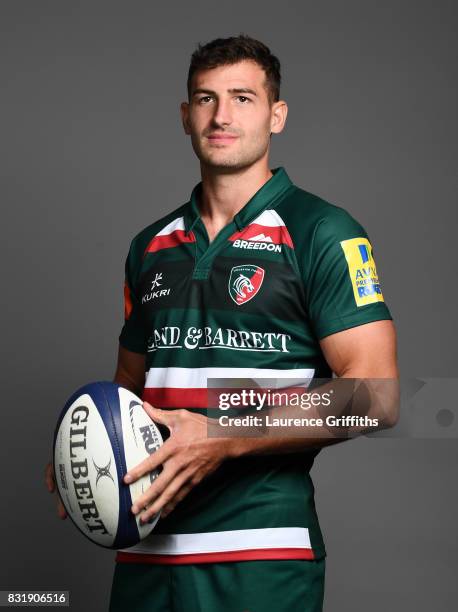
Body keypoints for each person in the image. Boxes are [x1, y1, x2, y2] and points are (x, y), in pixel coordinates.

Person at [46, 35, 398, 611]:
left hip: (261, 559)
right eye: (205, 99)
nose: (222, 116)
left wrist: (221, 432)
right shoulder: (150, 246)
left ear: (276, 115)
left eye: (242, 97)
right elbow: (128, 391)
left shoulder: (323, 232)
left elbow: (377, 397)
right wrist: (81, 448)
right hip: (145, 554)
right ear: (185, 117)